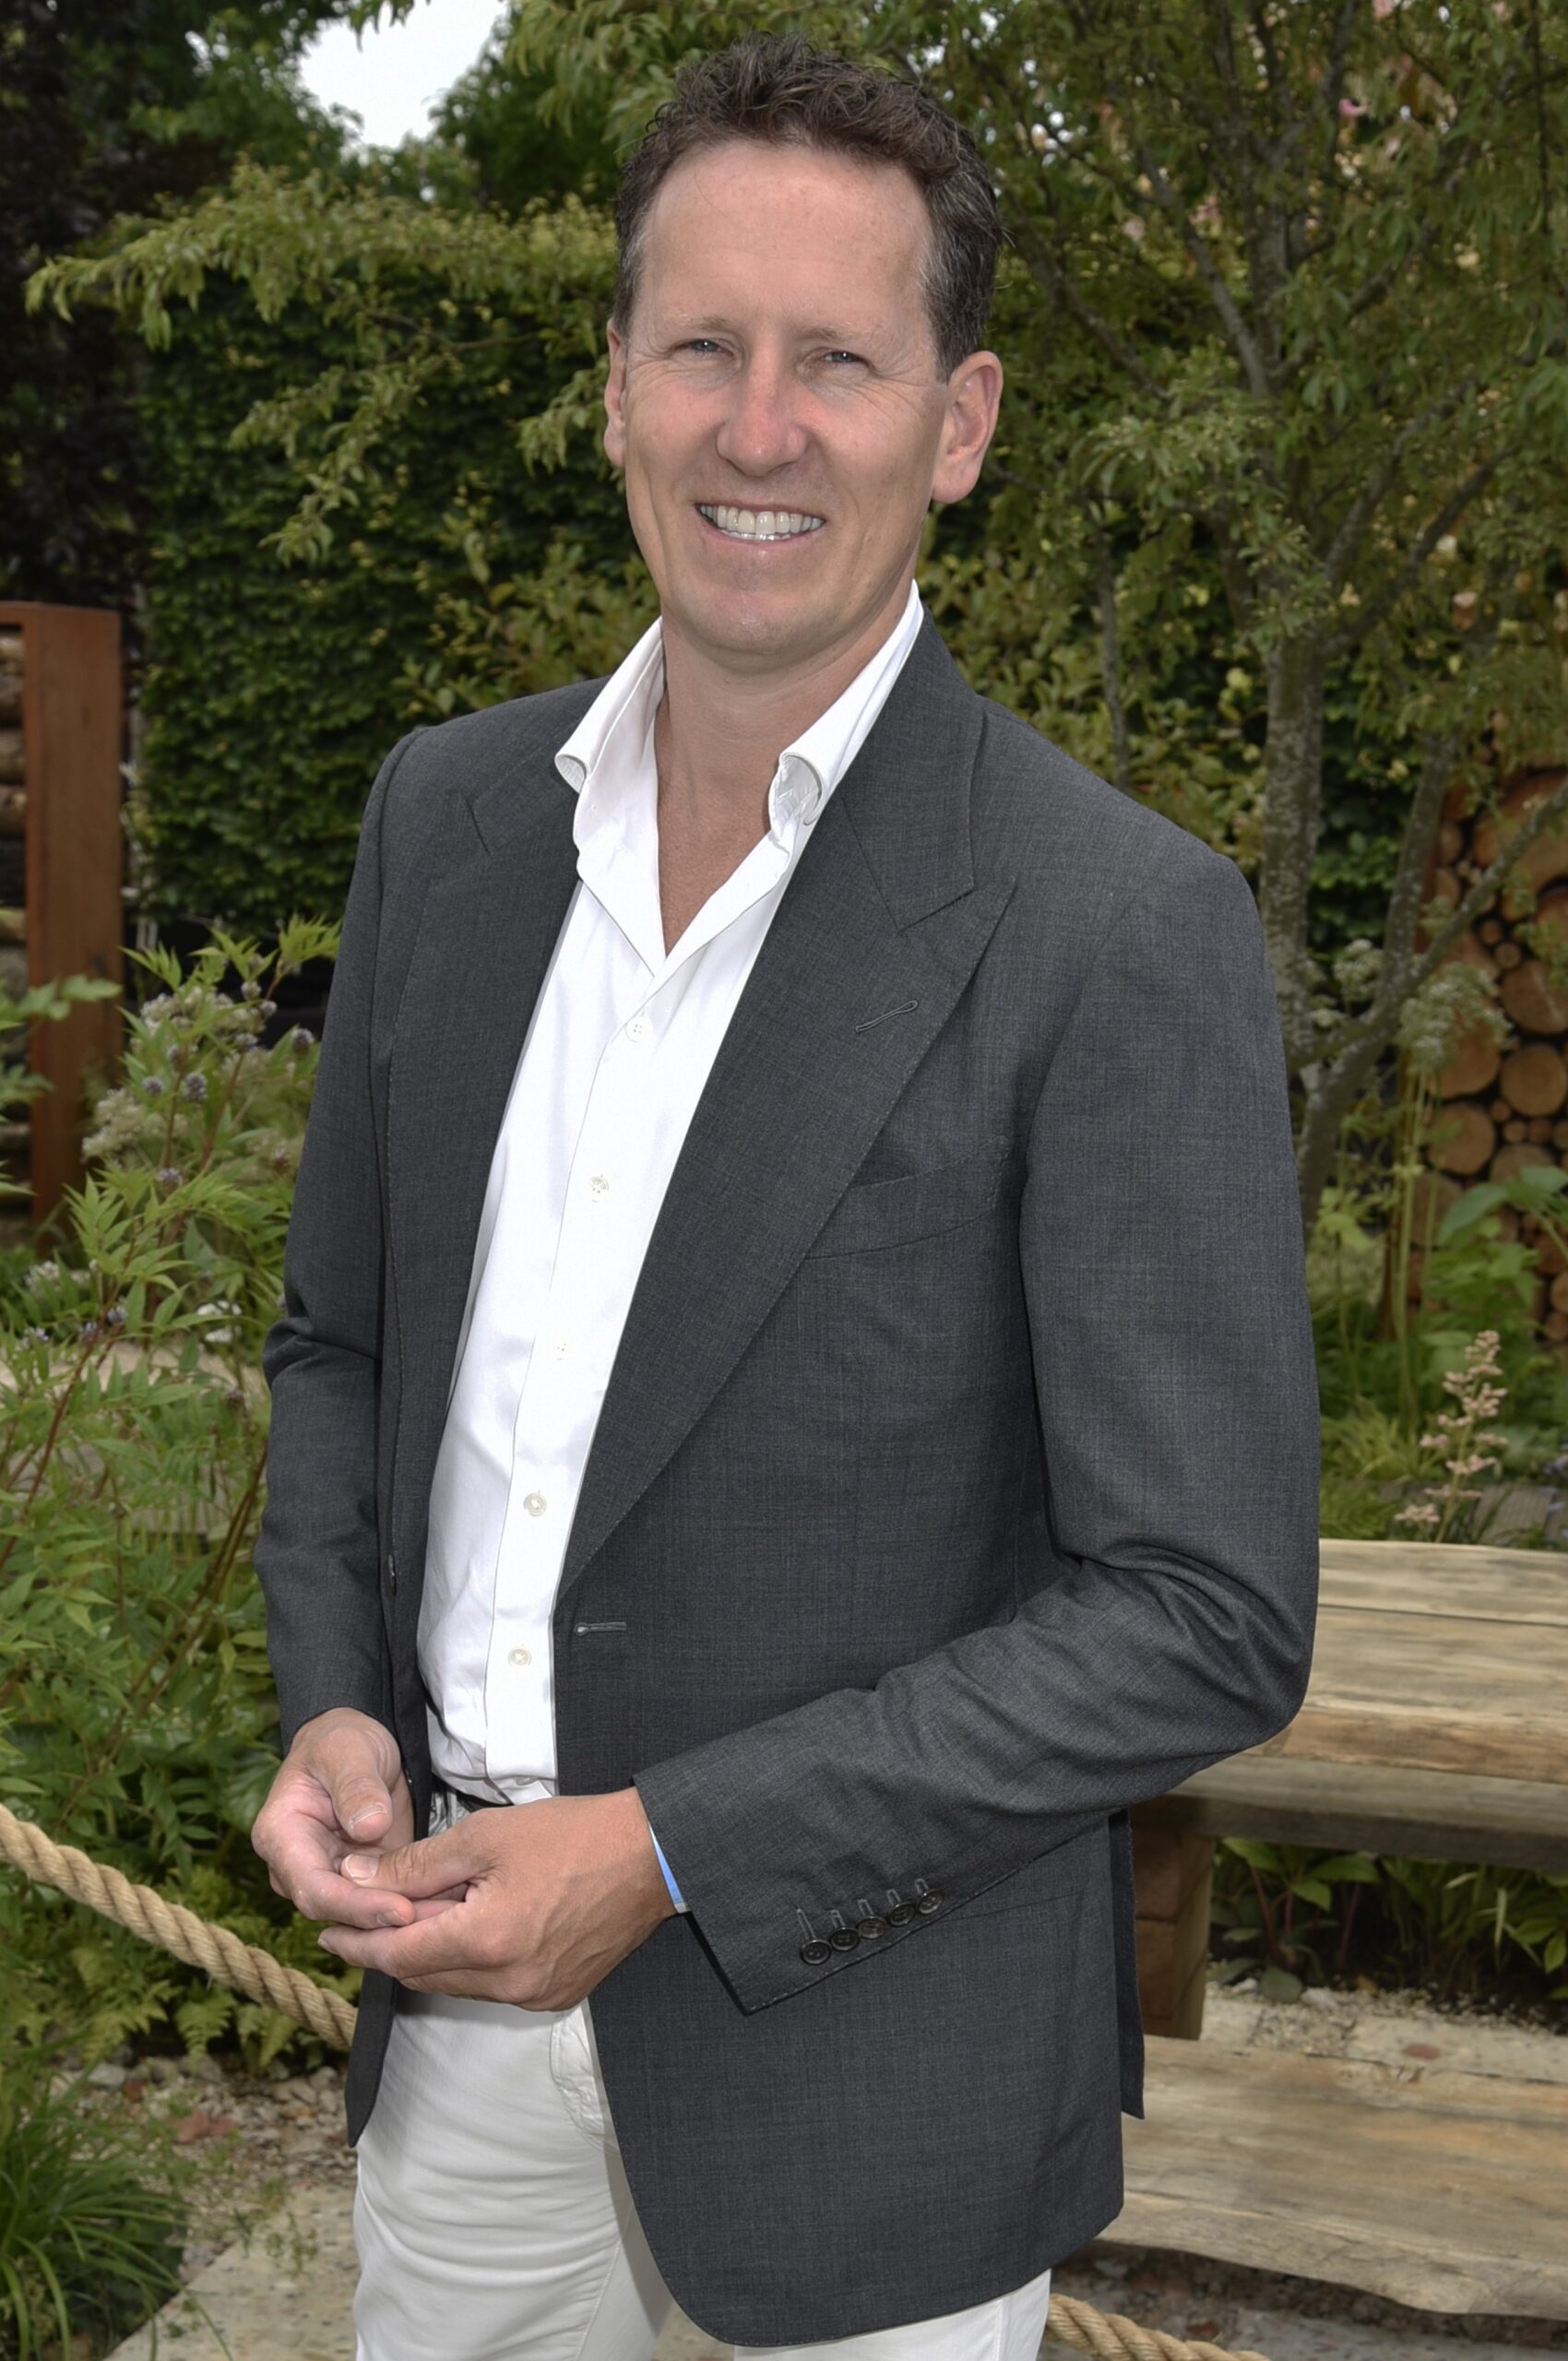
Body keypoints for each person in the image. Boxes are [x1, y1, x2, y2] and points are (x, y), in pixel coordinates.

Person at [250, 34, 1320, 2361]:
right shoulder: (445, 824)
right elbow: (343, 1348)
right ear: (615, 386)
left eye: (836, 359)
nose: (760, 427)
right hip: (448, 2035)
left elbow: (1203, 1608)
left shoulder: (1112, 927)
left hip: (872, 2097)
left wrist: (653, 1853)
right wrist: (336, 1700)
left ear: (957, 423)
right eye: (702, 349)